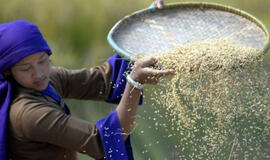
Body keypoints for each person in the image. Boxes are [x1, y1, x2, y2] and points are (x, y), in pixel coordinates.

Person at [0, 1, 173, 160]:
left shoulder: (50, 79)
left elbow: (103, 80)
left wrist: (144, 28)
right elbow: (103, 142)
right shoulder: (27, 114)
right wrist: (134, 83)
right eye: (25, 68)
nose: (38, 73)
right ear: (8, 71)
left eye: (42, 61)